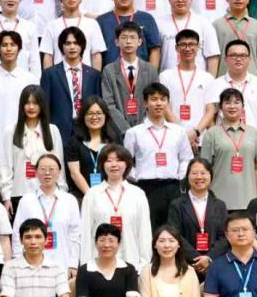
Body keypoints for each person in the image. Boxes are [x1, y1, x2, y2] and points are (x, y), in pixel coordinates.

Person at [126, 84, 192, 233]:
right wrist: (137, 176)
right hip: (146, 187)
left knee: (173, 231)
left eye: (163, 99)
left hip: (172, 186)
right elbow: (126, 161)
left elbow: (187, 158)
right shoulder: (134, 133)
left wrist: (179, 176)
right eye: (154, 99)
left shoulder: (178, 131)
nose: (158, 103)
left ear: (168, 102)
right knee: (148, 231)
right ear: (145, 103)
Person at [78, 145, 151, 269]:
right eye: (109, 161)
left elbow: (144, 232)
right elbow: (85, 232)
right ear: (102, 165)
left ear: (127, 164)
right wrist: (86, 266)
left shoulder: (138, 194)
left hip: (131, 263)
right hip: (99, 265)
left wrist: (144, 264)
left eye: (119, 160)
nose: (114, 165)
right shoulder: (92, 194)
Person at [11, 156, 84, 274]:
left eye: (51, 169)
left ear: (59, 172)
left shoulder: (69, 200)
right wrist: (18, 261)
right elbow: (17, 233)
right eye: (43, 169)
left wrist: (73, 264)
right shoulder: (26, 200)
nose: (47, 173)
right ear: (36, 172)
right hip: (31, 266)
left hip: (62, 263)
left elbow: (75, 234)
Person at [200, 87, 257, 208]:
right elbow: (205, 168)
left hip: (248, 200)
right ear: (220, 107)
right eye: (227, 103)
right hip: (218, 199)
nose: (232, 106)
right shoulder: (211, 134)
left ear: (243, 107)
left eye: (236, 102)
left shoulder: (254, 133)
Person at [1, 86, 62, 201]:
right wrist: (6, 196)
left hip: (47, 194)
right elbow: (6, 166)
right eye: (27, 103)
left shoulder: (52, 130)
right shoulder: (11, 131)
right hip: (19, 193)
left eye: (35, 103)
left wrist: (61, 192)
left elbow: (59, 165)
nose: (31, 107)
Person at [167, 159, 228, 273]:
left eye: (203, 173)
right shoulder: (177, 205)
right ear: (187, 176)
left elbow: (225, 236)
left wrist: (209, 258)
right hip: (185, 264)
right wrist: (196, 258)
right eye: (194, 173)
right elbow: (175, 235)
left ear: (211, 176)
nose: (199, 177)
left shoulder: (220, 205)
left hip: (214, 265)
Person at [99, 24, 159, 136]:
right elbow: (108, 104)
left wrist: (142, 128)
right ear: (117, 42)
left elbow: (155, 101)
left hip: (146, 132)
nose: (128, 41)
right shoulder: (109, 70)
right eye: (124, 37)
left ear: (140, 41)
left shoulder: (150, 70)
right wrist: (127, 131)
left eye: (132, 37)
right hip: (118, 133)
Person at [69, 96, 120, 194]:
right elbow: (75, 173)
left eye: (98, 113)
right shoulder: (75, 142)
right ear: (83, 116)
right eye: (90, 113)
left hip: (111, 194)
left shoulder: (113, 140)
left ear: (105, 115)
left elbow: (119, 168)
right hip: (83, 195)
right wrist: (91, 196)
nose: (94, 117)